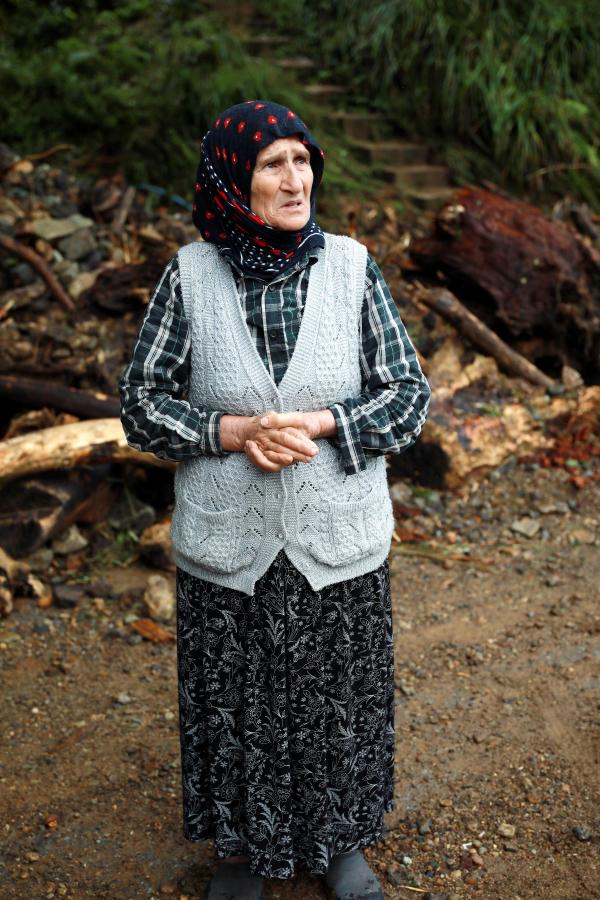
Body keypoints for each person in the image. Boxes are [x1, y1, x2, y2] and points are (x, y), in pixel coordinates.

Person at [119, 100, 431, 900]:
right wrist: (232, 431)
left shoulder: (353, 269)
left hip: (337, 537)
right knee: (235, 706)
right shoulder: (189, 276)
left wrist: (324, 422)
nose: (296, 181)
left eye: (303, 161)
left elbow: (408, 396)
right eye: (272, 165)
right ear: (234, 180)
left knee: (340, 702)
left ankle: (341, 846)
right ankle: (240, 855)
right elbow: (140, 404)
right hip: (230, 542)